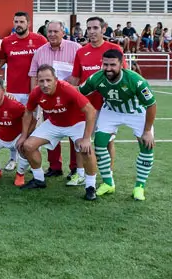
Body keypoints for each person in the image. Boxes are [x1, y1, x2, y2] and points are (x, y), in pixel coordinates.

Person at [79, 49, 156, 200]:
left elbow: (152, 105)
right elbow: (79, 93)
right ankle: (108, 183)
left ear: (121, 64)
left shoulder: (136, 80)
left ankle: (139, 187)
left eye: (112, 65)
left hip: (136, 112)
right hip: (111, 111)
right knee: (100, 143)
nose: (108, 68)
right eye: (105, 64)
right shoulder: (96, 78)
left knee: (147, 145)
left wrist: (147, 131)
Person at [19, 65, 98, 200]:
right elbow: (28, 112)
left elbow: (90, 110)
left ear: (56, 79)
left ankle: (91, 186)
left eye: (49, 80)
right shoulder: (36, 92)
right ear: (37, 81)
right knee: (27, 146)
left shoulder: (67, 89)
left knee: (86, 149)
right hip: (54, 123)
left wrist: (86, 138)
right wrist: (23, 136)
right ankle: (39, 180)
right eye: (41, 81)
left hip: (76, 123)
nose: (45, 84)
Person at [67, 16, 124, 184]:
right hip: (85, 106)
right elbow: (75, 78)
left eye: (95, 28)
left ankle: (108, 175)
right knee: (80, 140)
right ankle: (80, 173)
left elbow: (122, 76)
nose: (91, 32)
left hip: (108, 106)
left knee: (107, 142)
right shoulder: (81, 51)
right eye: (89, 28)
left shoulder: (114, 49)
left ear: (103, 29)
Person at [28, 20, 81, 178]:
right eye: (49, 32)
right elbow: (33, 75)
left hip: (71, 102)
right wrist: (35, 98)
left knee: (74, 137)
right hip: (49, 102)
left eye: (55, 31)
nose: (51, 34)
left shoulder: (75, 48)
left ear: (63, 32)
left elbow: (81, 73)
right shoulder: (40, 51)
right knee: (52, 135)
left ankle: (75, 167)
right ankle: (55, 167)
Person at [0, 11, 46, 171]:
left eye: (21, 21)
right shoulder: (6, 42)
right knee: (14, 126)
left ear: (29, 23)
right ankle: (13, 158)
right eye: (16, 21)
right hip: (13, 92)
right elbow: (0, 61)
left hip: (34, 92)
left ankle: (32, 161)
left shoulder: (40, 40)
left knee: (34, 127)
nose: (18, 24)